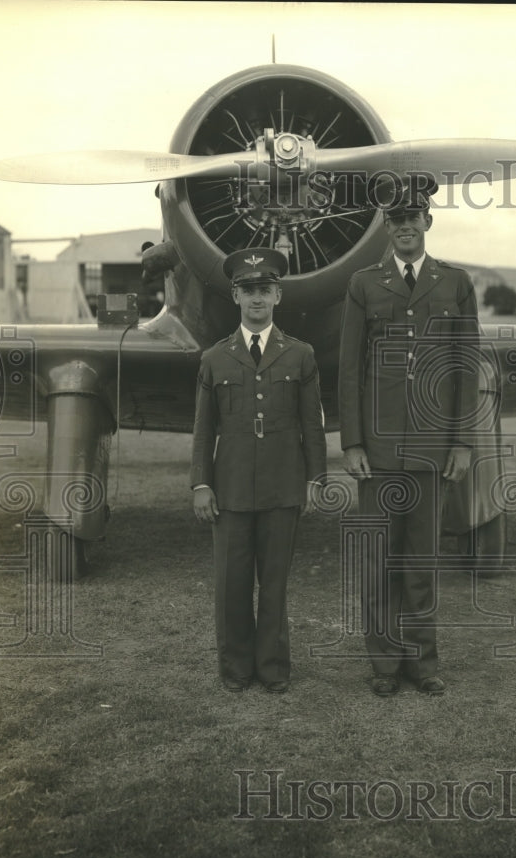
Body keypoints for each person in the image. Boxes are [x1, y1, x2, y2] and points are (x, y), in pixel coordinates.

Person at [338, 183, 481, 696]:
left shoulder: (455, 284)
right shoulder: (363, 284)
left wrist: (463, 442)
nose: (405, 225)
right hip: (376, 452)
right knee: (379, 562)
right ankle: (383, 665)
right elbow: (349, 370)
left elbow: (466, 369)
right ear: (385, 226)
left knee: (421, 561)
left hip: (431, 449)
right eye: (395, 217)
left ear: (427, 221)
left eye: (413, 215)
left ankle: (422, 663)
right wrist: (351, 442)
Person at [191, 249, 326, 694]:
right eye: (248, 290)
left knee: (273, 585)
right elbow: (203, 428)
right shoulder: (215, 358)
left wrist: (314, 479)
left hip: (282, 487)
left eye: (264, 290)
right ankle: (235, 669)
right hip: (229, 489)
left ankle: (272, 668)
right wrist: (202, 484)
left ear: (278, 296)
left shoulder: (301, 355)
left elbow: (312, 424)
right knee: (231, 585)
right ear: (235, 296)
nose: (256, 299)